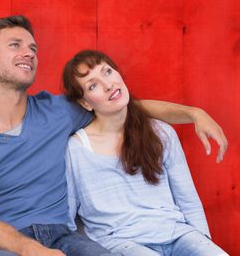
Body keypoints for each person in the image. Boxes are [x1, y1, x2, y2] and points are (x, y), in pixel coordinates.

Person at [0, 16, 228, 256]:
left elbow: (121, 106)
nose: (29, 52)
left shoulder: (57, 111)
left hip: (64, 236)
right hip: (4, 245)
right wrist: (28, 248)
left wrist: (192, 114)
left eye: (33, 48)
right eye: (15, 45)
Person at [62, 50, 229, 256]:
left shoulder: (161, 132)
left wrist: (205, 244)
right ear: (85, 102)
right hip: (121, 243)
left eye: (107, 72)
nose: (108, 85)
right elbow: (67, 220)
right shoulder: (75, 149)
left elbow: (189, 201)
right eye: (92, 85)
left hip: (176, 233)